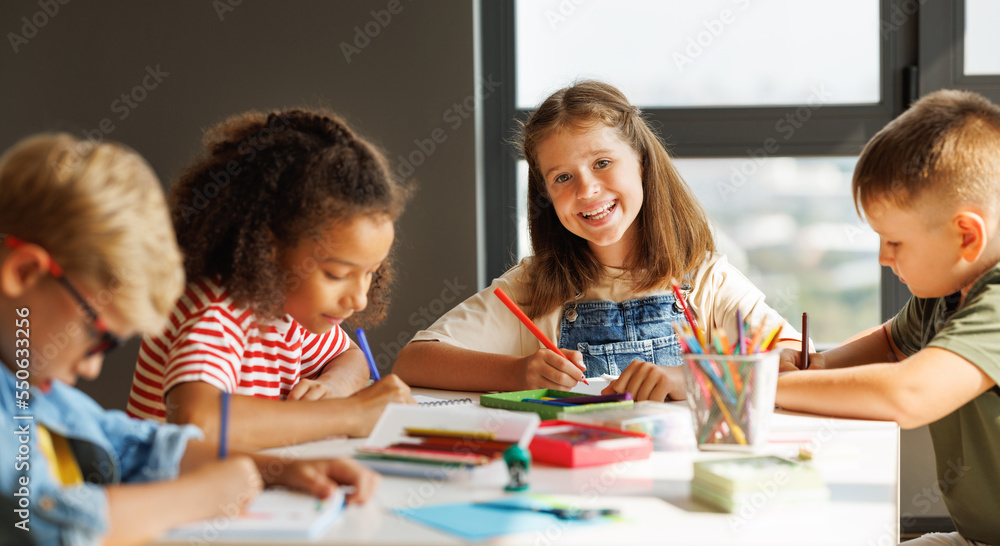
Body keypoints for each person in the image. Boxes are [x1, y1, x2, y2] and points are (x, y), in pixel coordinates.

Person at [0, 134, 378, 545]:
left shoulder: (27, 384)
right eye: (98, 337)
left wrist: (273, 470)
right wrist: (200, 496)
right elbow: (40, 520)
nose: (92, 367)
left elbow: (126, 443)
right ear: (24, 274)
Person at [394, 81, 802, 400]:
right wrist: (516, 373)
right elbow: (414, 361)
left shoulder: (706, 278)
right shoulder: (535, 287)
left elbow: (793, 360)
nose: (586, 190)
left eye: (603, 163)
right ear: (546, 196)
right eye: (562, 178)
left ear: (641, 161)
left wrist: (690, 377)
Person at [775, 89, 1000, 546]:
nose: (882, 257)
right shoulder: (945, 294)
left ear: (966, 237)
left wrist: (755, 388)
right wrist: (821, 366)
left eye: (894, 242)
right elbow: (894, 344)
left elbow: (909, 394)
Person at [126, 108, 415, 450]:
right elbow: (197, 420)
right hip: (169, 497)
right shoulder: (216, 309)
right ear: (268, 246)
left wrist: (335, 388)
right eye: (337, 274)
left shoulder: (289, 308)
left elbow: (350, 357)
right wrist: (350, 414)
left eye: (370, 273)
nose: (360, 299)